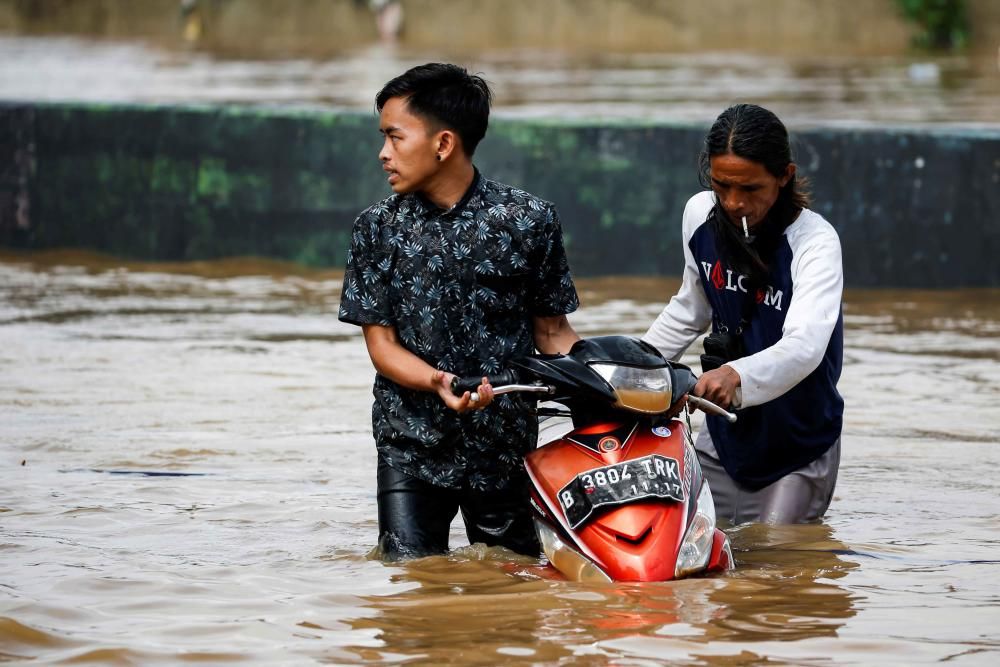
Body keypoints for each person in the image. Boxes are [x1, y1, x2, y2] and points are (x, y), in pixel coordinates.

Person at [338, 63, 581, 560]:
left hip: (504, 447)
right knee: (409, 585)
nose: (383, 154)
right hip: (409, 444)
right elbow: (381, 346)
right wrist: (437, 382)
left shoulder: (528, 221)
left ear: (443, 143)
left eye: (394, 137)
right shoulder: (376, 229)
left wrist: (619, 378)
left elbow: (553, 333)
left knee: (508, 592)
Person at [643, 103, 844, 525]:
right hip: (724, 436)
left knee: (776, 570)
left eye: (751, 189)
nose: (734, 203)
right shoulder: (699, 216)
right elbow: (691, 306)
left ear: (784, 176)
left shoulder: (816, 243)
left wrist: (735, 375)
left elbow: (805, 347)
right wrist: (636, 363)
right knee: (694, 552)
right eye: (722, 186)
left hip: (797, 442)